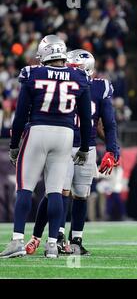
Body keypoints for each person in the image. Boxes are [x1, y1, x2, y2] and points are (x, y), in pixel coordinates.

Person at [1, 35, 92, 258]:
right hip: (66, 135)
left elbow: (21, 114)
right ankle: (52, 244)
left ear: (44, 53)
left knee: (24, 188)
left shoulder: (33, 73)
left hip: (38, 131)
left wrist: (14, 145)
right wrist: (84, 148)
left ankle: (17, 241)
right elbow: (86, 116)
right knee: (54, 191)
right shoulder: (78, 76)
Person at [24, 49, 120, 256]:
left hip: (88, 145)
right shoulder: (60, 83)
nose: (68, 70)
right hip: (64, 142)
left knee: (81, 195)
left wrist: (113, 150)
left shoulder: (100, 86)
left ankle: (76, 238)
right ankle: (52, 236)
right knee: (58, 192)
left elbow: (109, 123)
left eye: (73, 67)